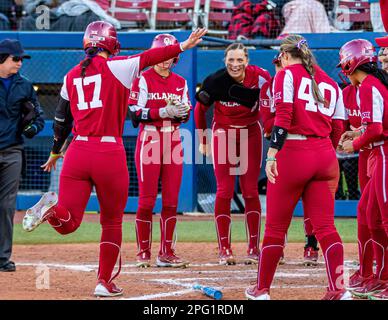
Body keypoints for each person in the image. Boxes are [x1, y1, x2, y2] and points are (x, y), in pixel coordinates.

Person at [21, 21, 206, 297]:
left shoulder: (71, 76)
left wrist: (55, 153)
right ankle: (104, 282)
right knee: (111, 222)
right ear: (110, 42)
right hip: (108, 152)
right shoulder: (117, 66)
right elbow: (150, 57)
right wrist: (183, 45)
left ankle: (50, 210)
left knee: (69, 222)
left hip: (77, 152)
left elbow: (60, 120)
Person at [245, 35, 350, 300]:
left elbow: (283, 116)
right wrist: (325, 151)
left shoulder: (286, 74)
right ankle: (339, 290)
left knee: (276, 229)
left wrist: (272, 154)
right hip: (325, 155)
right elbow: (338, 129)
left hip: (293, 153)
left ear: (284, 55)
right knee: (326, 228)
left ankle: (261, 290)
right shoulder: (331, 84)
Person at [194, 43, 271, 265]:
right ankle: (224, 248)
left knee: (250, 190)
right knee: (224, 190)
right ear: (224, 60)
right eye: (231, 60)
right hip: (223, 132)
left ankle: (253, 247)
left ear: (247, 61)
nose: (235, 64)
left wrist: (269, 128)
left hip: (251, 133)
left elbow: (270, 104)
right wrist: (204, 140)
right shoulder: (214, 80)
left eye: (239, 60)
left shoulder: (261, 77)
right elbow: (200, 110)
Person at [128, 33, 191, 268]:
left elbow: (185, 114)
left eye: (171, 56)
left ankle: (166, 252)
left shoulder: (181, 82)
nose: (166, 60)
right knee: (146, 201)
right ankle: (143, 251)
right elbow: (135, 113)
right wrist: (161, 112)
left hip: (173, 140)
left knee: (172, 201)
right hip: (150, 140)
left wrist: (182, 111)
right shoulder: (143, 78)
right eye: (162, 55)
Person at [338, 38, 388, 300]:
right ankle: (380, 275)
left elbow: (377, 130)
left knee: (384, 218)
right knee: (369, 212)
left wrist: (354, 143)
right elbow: (375, 125)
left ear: (351, 61)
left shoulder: (368, 86)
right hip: (379, 151)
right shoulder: (372, 84)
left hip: (383, 152)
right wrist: (357, 132)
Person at [260, 53, 320, 266]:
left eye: (281, 63)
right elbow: (268, 123)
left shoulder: (303, 83)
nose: (279, 68)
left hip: (302, 146)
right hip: (281, 148)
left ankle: (311, 243)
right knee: (279, 206)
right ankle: (278, 249)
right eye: (276, 65)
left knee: (310, 200)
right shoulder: (269, 87)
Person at [0, 39, 45, 272]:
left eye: (21, 59)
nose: (19, 63)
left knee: (6, 206)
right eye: (15, 58)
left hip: (13, 151)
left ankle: (2, 258)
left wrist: (31, 128)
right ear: (2, 59)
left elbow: (38, 117)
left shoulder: (25, 86)